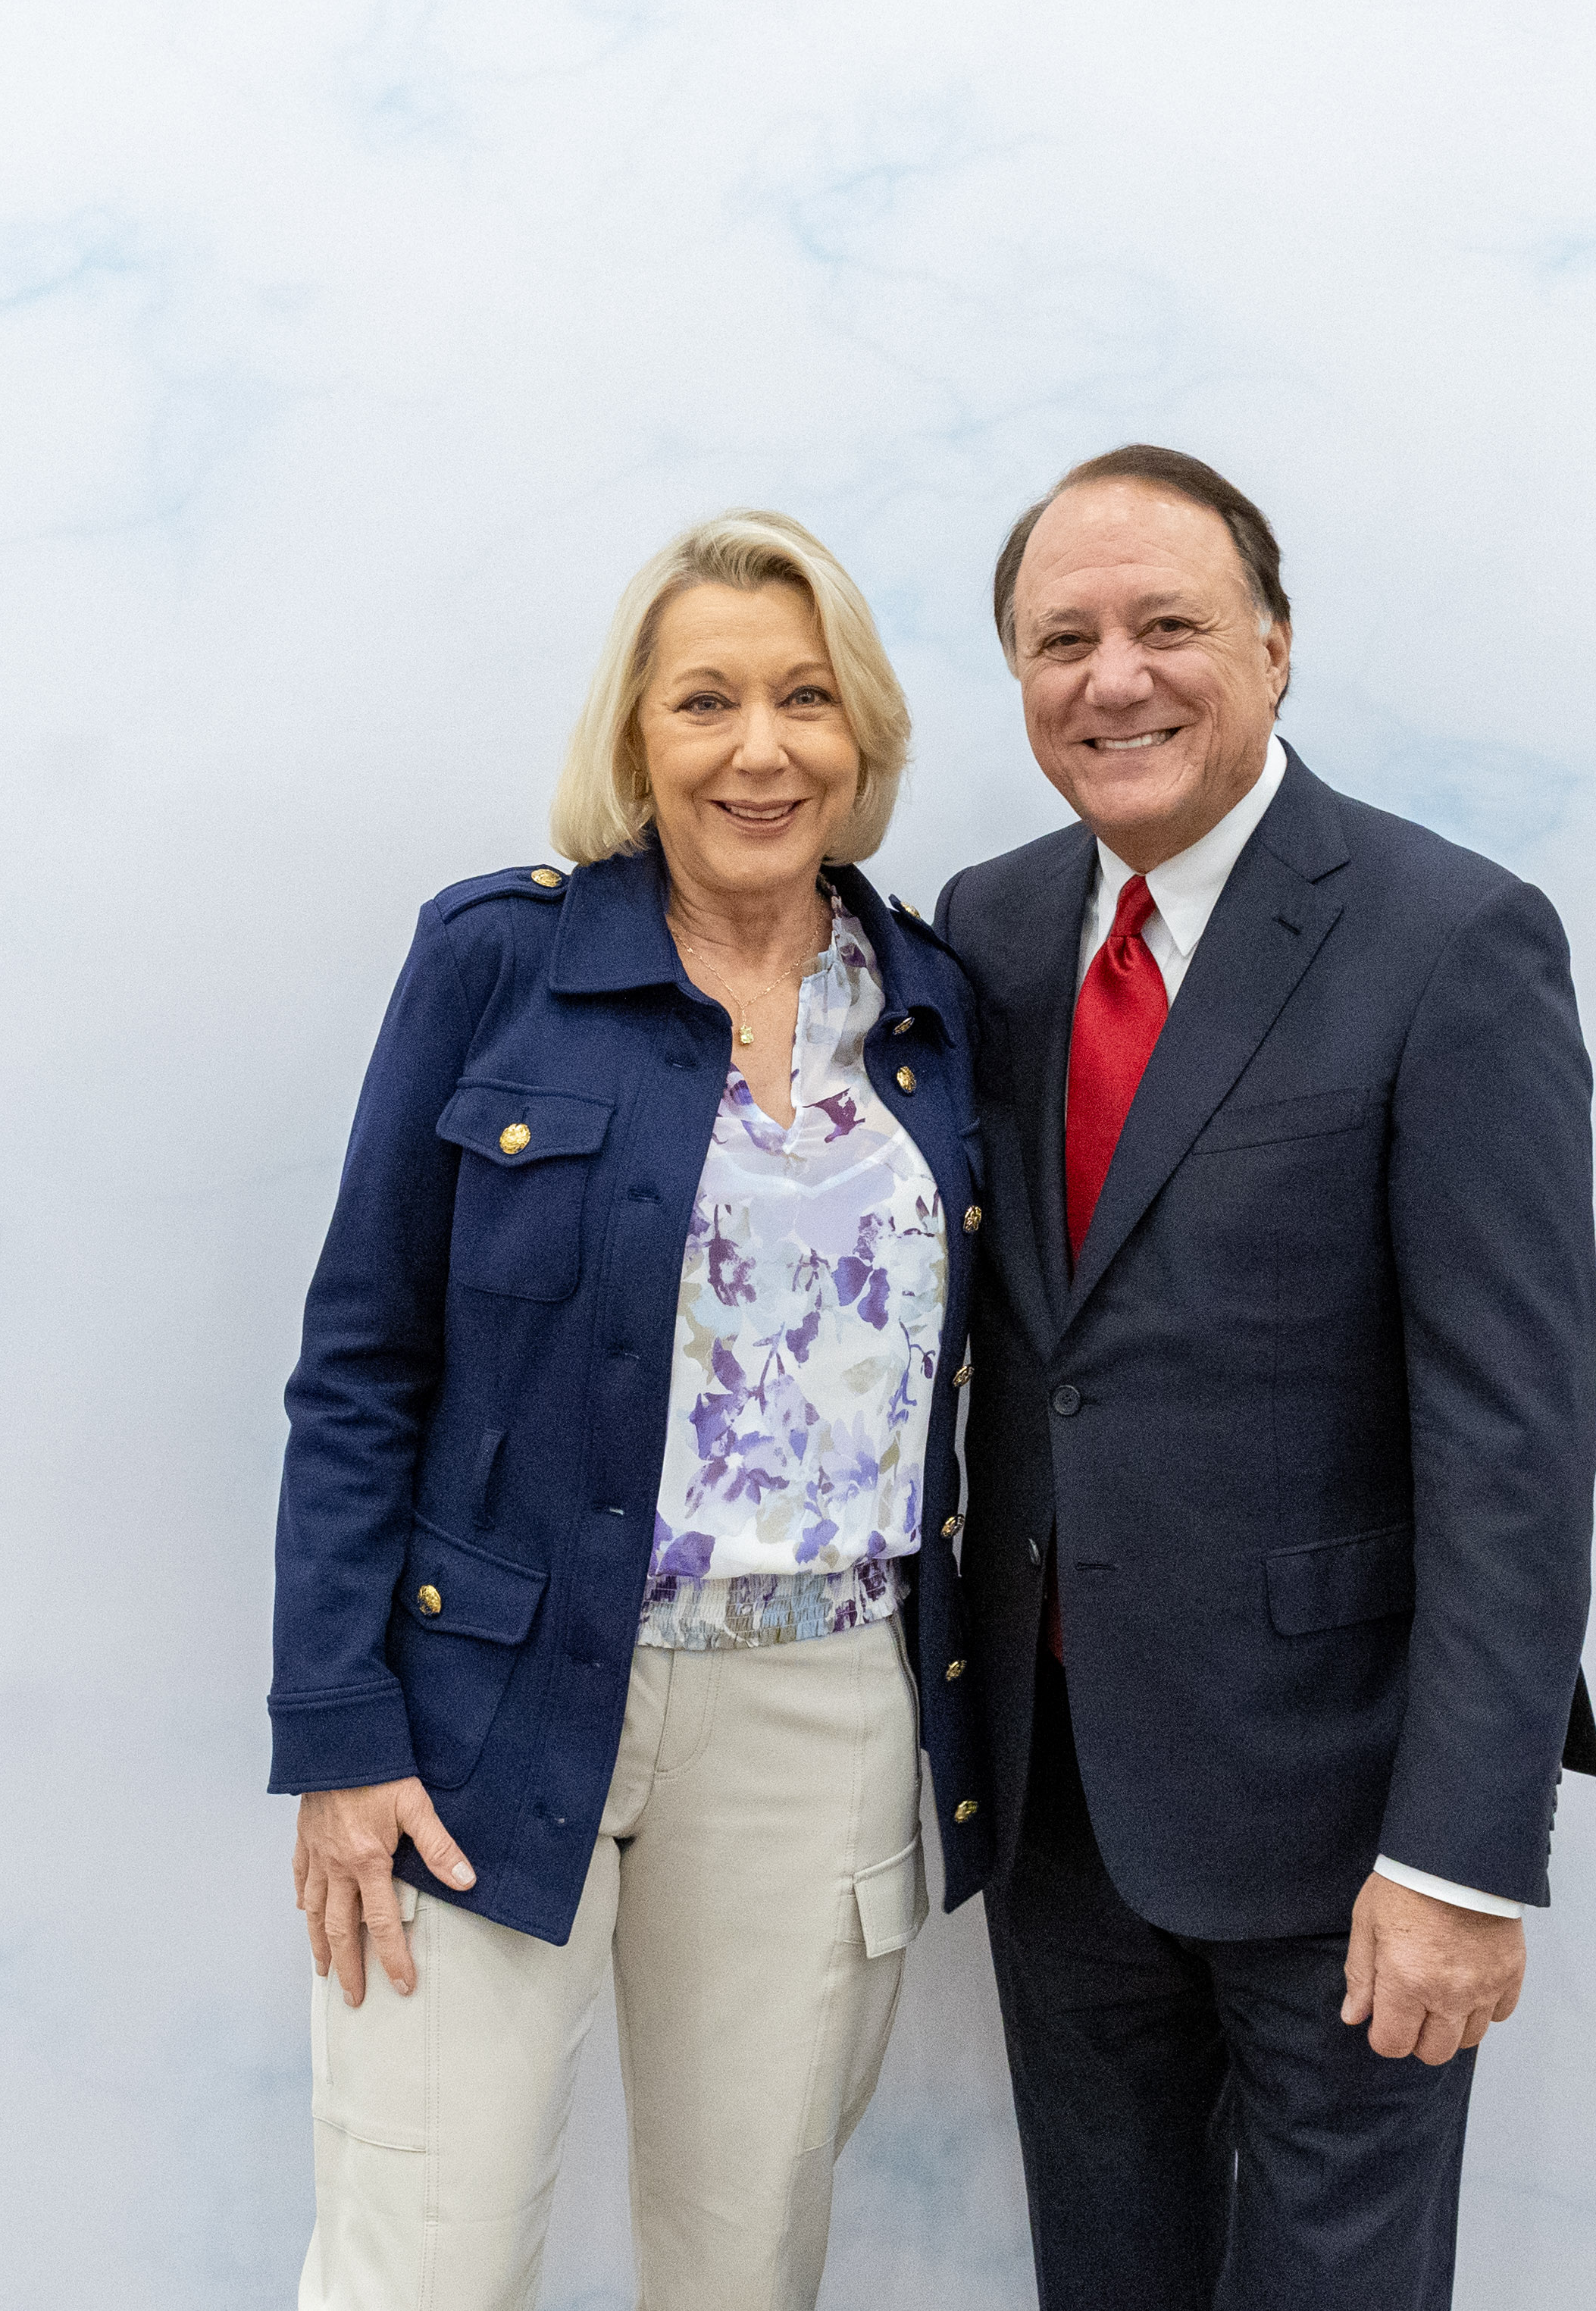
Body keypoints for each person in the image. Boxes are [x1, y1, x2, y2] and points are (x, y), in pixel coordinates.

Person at [268, 509, 994, 2311]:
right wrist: (341, 1731)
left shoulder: (936, 1008)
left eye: (806, 698)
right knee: (422, 2263)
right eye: (706, 702)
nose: (762, 749)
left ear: (864, 735)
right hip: (486, 1702)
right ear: (635, 738)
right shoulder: (497, 963)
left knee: (744, 2267)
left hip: (825, 1705)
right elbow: (363, 1360)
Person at [933, 445, 1596, 2309]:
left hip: (1344, 1824)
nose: (1115, 679)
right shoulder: (986, 929)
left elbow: (1514, 1438)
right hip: (1060, 1804)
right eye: (1062, 640)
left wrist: (1461, 1861)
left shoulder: (1451, 939)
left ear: (1277, 647)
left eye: (1168, 625)